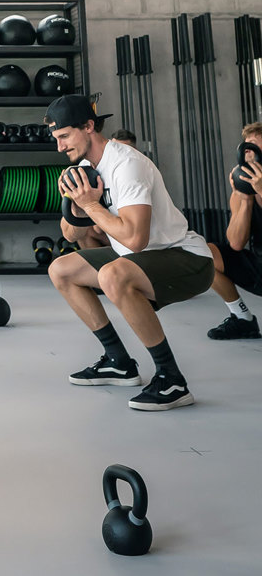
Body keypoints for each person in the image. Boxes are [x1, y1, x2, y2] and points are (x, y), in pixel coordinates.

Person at [46, 95, 214, 411]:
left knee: (113, 274)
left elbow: (136, 239)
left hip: (186, 258)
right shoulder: (83, 170)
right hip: (138, 259)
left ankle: (172, 380)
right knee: (61, 270)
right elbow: (70, 235)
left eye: (64, 136)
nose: (59, 147)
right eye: (56, 139)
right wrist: (75, 206)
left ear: (89, 126)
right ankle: (118, 362)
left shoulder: (127, 165)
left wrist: (91, 204)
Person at [204, 122, 262, 339]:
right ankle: (242, 319)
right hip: (259, 266)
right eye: (247, 146)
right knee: (204, 254)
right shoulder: (243, 188)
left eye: (255, 145)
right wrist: (245, 199)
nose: (248, 151)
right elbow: (236, 243)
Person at [76, 129, 137, 250]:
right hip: (109, 228)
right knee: (86, 231)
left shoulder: (133, 168)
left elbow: (132, 233)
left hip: (133, 234)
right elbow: (71, 234)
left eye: (124, 149)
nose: (119, 153)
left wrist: (91, 206)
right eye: (116, 147)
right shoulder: (90, 166)